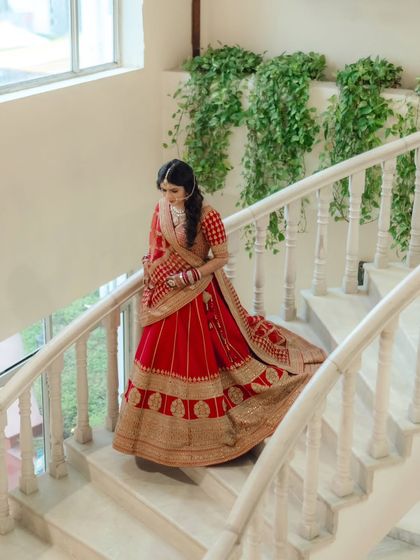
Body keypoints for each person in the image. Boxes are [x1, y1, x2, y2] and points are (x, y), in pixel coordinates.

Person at [112, 159, 326, 467]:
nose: (168, 196)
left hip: (197, 293)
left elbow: (221, 258)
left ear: (189, 187)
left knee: (198, 360)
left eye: (174, 190)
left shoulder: (208, 215)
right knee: (153, 356)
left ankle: (199, 434)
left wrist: (189, 276)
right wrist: (151, 267)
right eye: (164, 190)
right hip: (165, 293)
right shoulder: (160, 209)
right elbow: (155, 247)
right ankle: (151, 437)